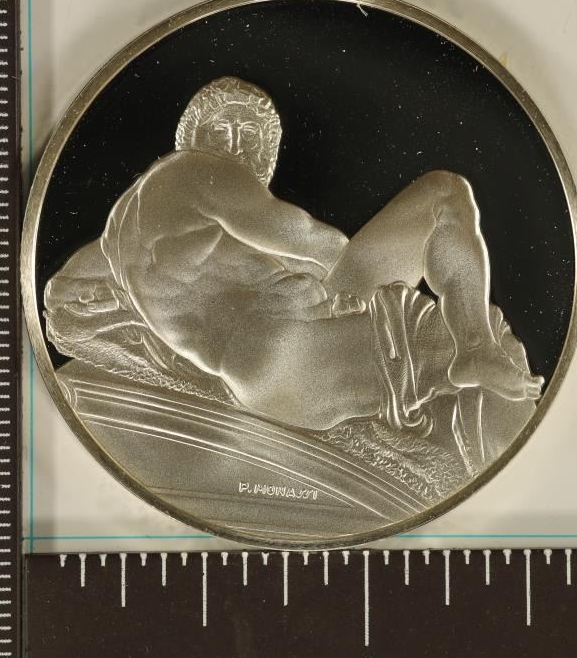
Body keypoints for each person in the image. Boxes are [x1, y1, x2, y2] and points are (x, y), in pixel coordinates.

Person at [49, 76, 542, 447]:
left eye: (250, 136)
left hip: (274, 377)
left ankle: (468, 358)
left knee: (442, 201)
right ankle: (474, 349)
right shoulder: (198, 172)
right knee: (447, 206)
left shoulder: (123, 230)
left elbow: (62, 292)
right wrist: (349, 287)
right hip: (291, 352)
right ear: (192, 137)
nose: (235, 145)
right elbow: (314, 241)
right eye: (222, 129)